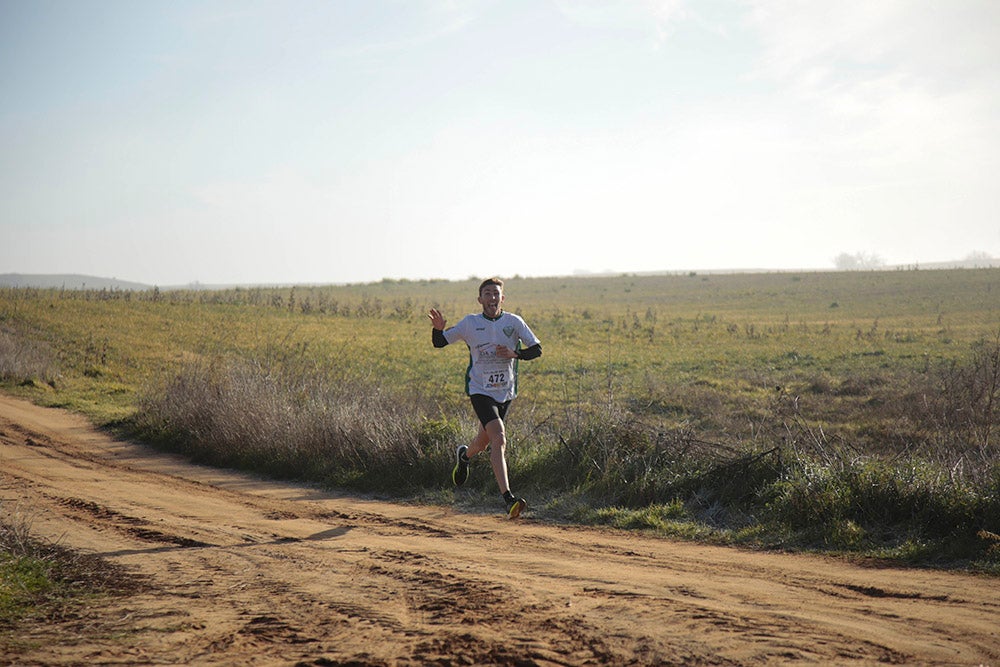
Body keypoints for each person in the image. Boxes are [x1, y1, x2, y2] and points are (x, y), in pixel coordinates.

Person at [428, 278, 542, 518]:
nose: (491, 298)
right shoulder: (471, 323)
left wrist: (515, 353)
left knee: (483, 442)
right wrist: (438, 328)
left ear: (502, 299)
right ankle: (508, 498)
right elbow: (439, 343)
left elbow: (537, 349)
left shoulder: (514, 322)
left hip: (506, 392)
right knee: (499, 437)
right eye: (487, 294)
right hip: (480, 390)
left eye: (496, 294)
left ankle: (464, 456)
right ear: (480, 299)